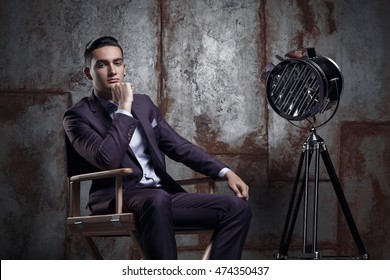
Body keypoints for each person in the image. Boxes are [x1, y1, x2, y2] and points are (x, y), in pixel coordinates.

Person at [63, 36, 252, 260]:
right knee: (157, 199)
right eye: (102, 65)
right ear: (89, 73)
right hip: (117, 199)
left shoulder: (143, 104)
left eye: (117, 63)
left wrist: (225, 171)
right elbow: (107, 159)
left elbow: (178, 145)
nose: (112, 71)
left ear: (124, 67)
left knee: (236, 208)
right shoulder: (77, 116)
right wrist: (123, 107)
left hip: (161, 197)